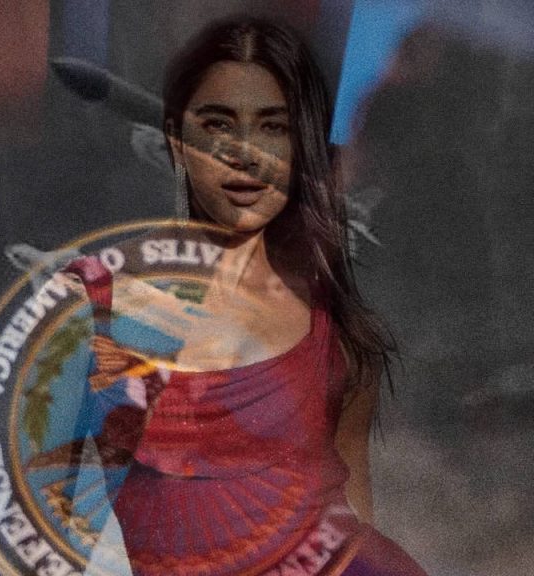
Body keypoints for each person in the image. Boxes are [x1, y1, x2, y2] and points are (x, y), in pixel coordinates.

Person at [58, 16, 429, 576]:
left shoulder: (338, 335)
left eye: (273, 128)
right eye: (219, 125)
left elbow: (352, 512)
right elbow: (57, 510)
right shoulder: (100, 303)